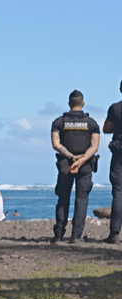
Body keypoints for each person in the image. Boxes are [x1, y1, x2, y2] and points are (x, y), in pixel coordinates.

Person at [50, 89, 100, 244]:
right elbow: (95, 146)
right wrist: (82, 159)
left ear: (69, 104)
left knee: (63, 199)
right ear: (83, 103)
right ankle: (76, 236)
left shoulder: (59, 122)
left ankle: (59, 235)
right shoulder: (91, 123)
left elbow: (56, 144)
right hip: (85, 165)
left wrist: (72, 158)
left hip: (66, 164)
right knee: (81, 199)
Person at [103, 80, 122, 244]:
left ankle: (115, 233)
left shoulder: (115, 108)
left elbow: (106, 129)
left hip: (119, 152)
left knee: (118, 193)